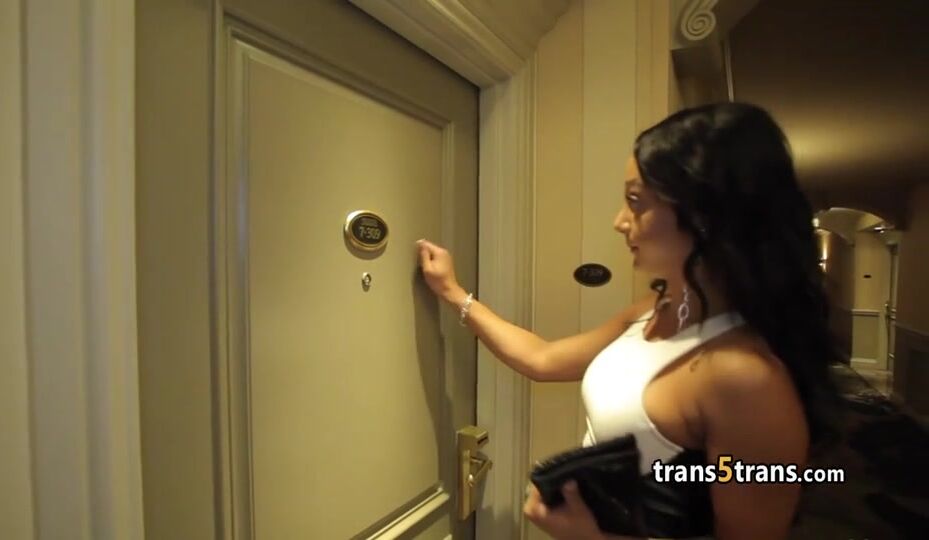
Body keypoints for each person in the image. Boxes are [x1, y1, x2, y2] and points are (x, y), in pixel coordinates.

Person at [416, 102, 843, 540]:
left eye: (636, 202)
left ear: (704, 215)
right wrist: (452, 292)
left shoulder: (745, 377)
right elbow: (542, 359)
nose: (620, 222)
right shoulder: (654, 311)